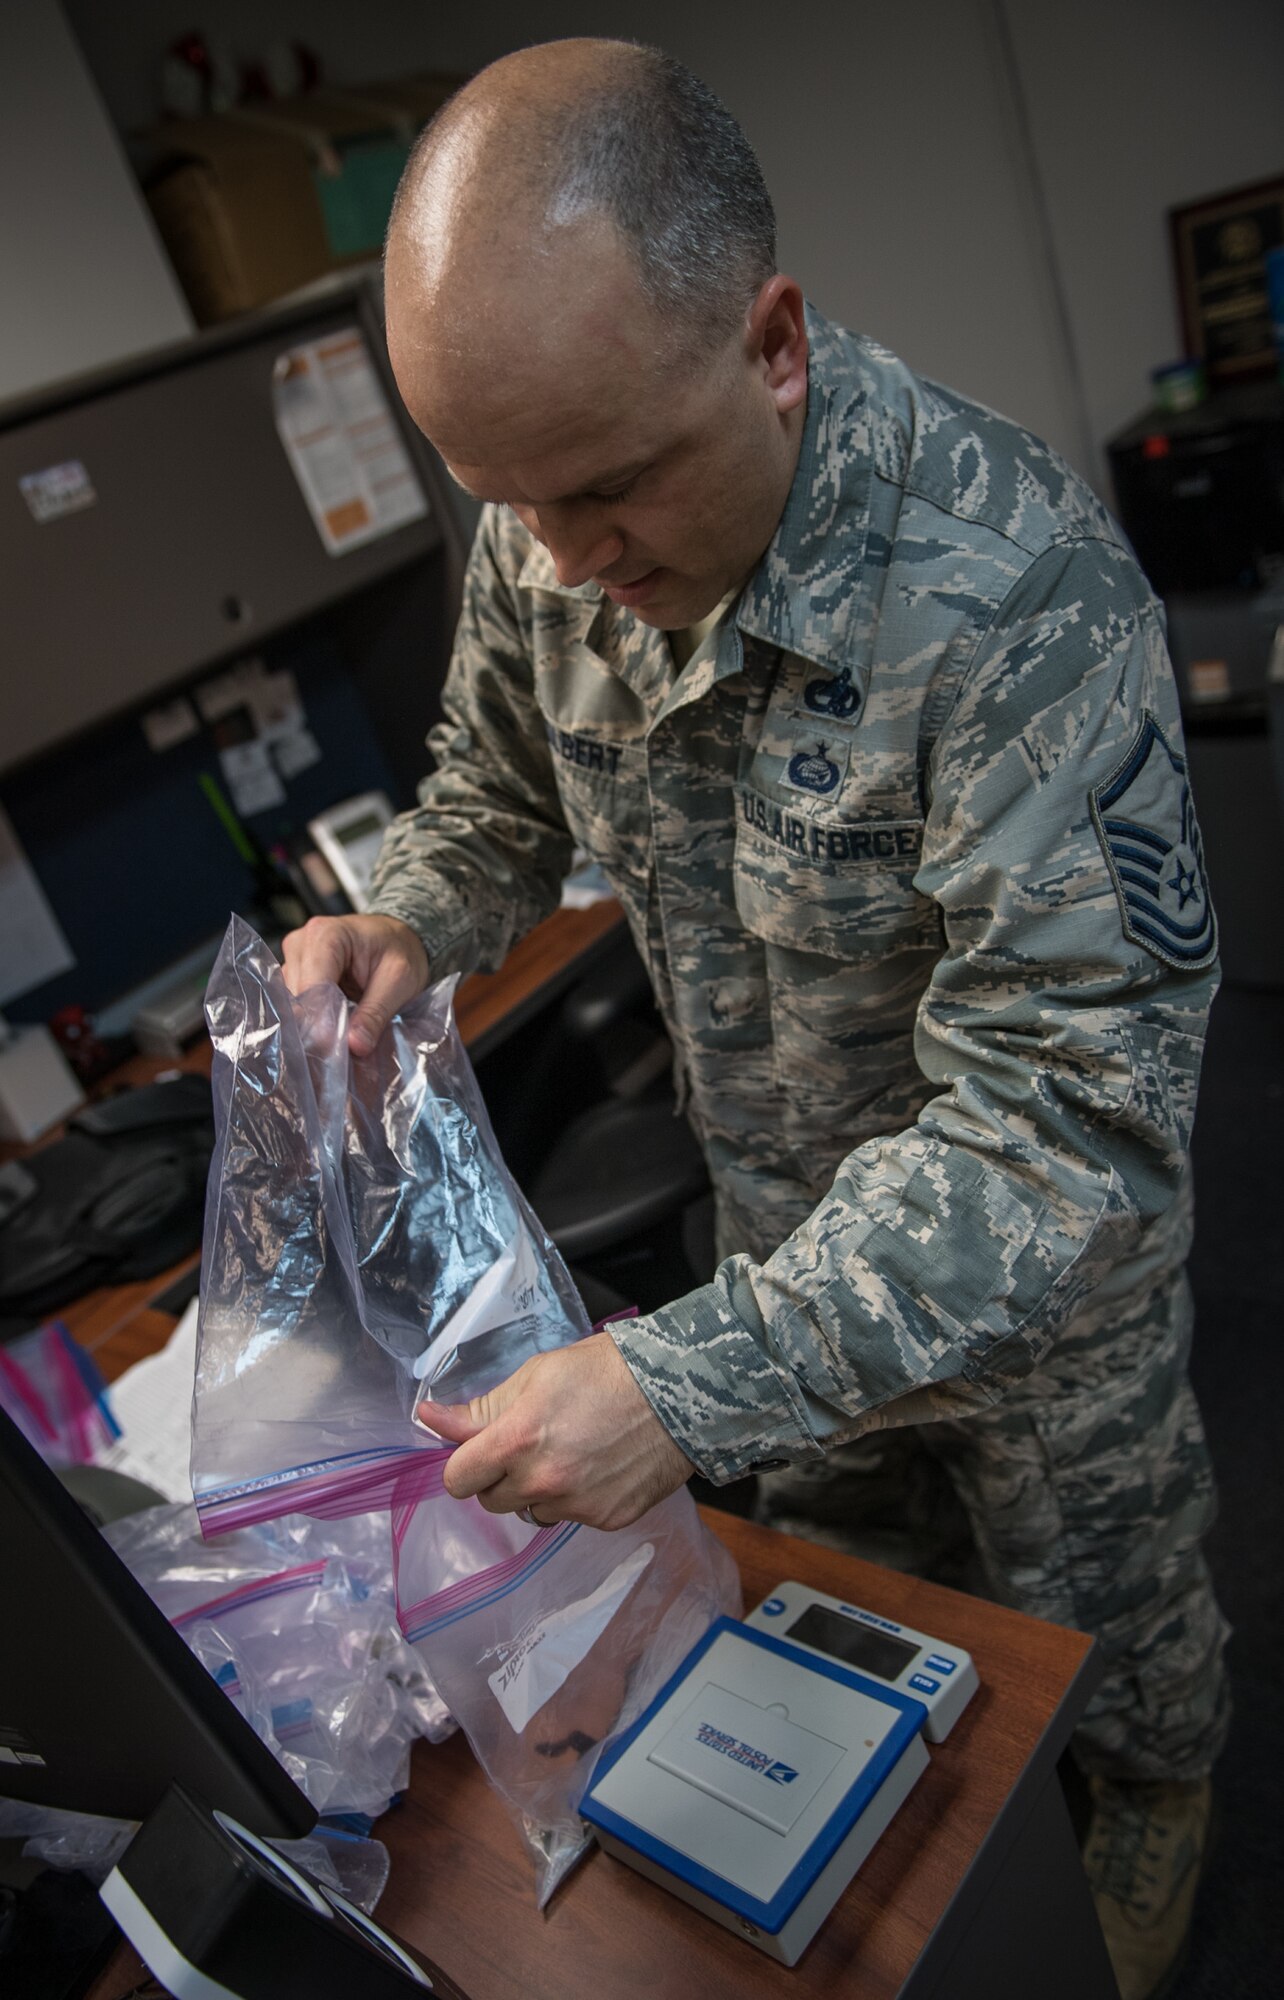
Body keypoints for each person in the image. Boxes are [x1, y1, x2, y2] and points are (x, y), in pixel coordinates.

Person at [282, 40, 1228, 1997]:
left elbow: (1065, 1119)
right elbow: (492, 801)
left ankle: (1154, 1826)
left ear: (773, 342)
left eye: (609, 490)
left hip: (1039, 1314)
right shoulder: (551, 513)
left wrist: (690, 1385)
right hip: (779, 1250)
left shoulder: (1018, 595)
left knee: (1111, 1649)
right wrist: (408, 924)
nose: (562, 562)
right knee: (858, 1648)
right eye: (509, 505)